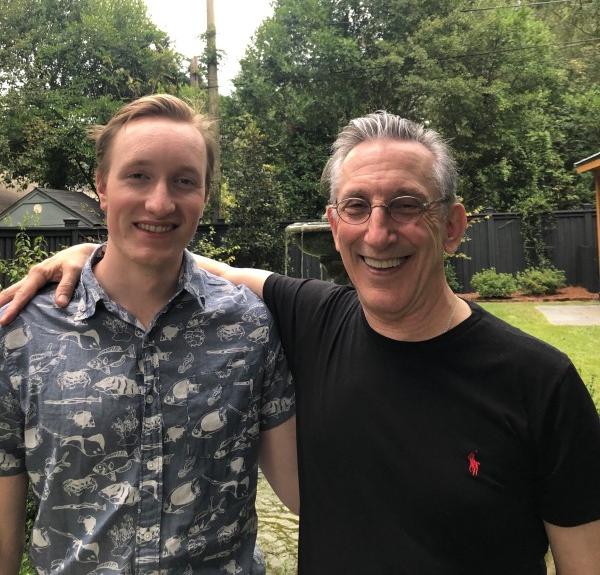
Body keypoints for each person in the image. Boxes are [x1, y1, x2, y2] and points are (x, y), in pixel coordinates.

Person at [2, 110, 600, 574]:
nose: (379, 231)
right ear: (334, 222)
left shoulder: (539, 384)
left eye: (407, 205)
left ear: (453, 224)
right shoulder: (309, 317)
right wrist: (91, 252)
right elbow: (180, 254)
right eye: (357, 207)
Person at [0, 94, 297, 575]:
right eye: (138, 175)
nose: (160, 202)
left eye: (184, 181)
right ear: (101, 187)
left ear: (204, 195)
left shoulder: (249, 325)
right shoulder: (22, 333)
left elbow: (301, 489)